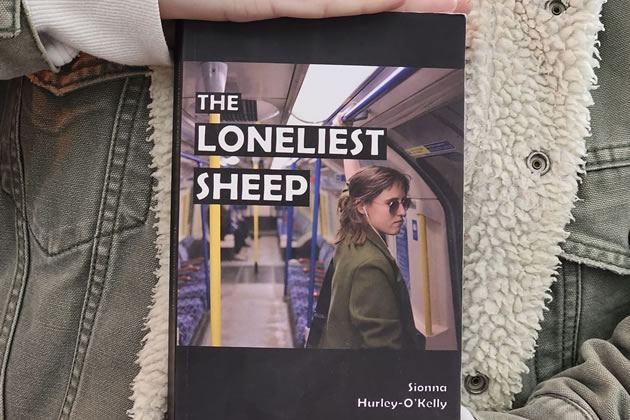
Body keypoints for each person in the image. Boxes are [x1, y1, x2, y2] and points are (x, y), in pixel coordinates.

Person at [0, 0, 628, 419]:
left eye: (404, 204)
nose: (405, 214)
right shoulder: (368, 261)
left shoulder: (354, 249)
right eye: (396, 203)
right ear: (365, 206)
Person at [318, 166, 424, 349]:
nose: (403, 212)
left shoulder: (350, 235)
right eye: (392, 204)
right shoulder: (371, 266)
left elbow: (350, 194)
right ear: (361, 206)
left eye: (404, 202)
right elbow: (383, 346)